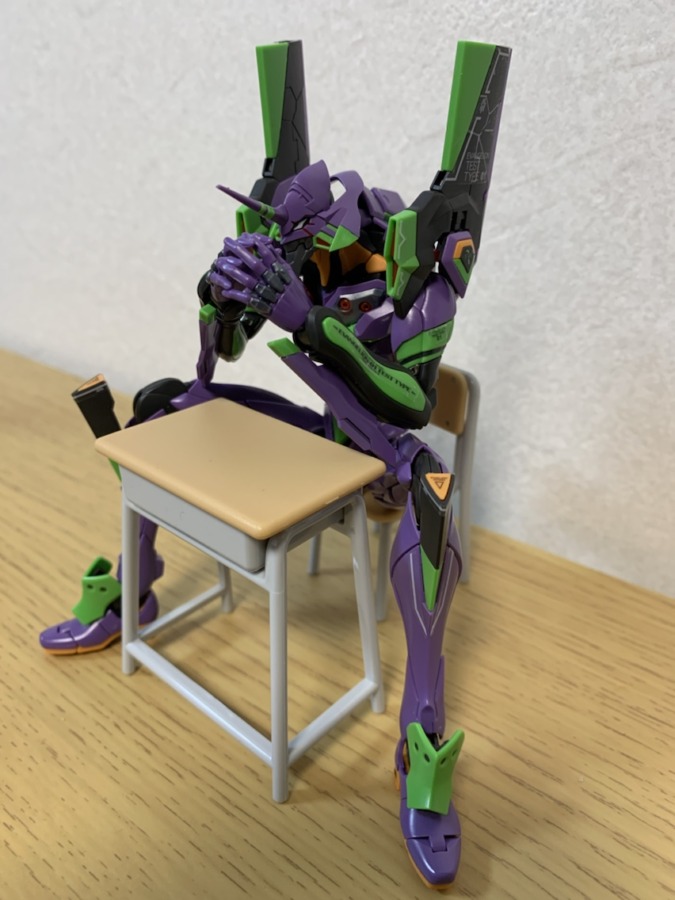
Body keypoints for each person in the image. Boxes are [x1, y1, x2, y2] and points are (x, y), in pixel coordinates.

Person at [39, 39, 511, 889]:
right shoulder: (301, 261)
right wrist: (218, 303)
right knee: (163, 403)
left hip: (385, 454)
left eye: (319, 253)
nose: (311, 268)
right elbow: (220, 356)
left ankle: (422, 732)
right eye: (298, 254)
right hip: (317, 434)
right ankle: (136, 586)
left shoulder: (423, 283)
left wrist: (308, 320)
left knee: (433, 494)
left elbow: (408, 401)